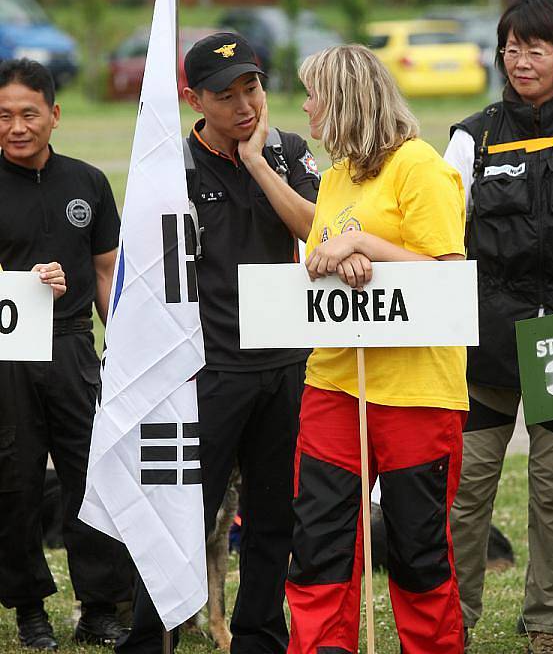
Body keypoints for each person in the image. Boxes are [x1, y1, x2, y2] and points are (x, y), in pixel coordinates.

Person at [115, 32, 320, 654]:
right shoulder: (171, 170)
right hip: (205, 370)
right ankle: (152, 635)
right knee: (180, 513)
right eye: (225, 96)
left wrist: (258, 161)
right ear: (193, 99)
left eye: (252, 88)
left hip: (285, 362)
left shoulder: (287, 152)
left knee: (272, 515)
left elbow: (317, 227)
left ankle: (258, 635)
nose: (244, 106)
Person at [285, 44, 468, 654]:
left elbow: (447, 279)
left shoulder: (422, 168)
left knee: (417, 550)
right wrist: (340, 256)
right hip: (334, 384)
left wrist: (367, 242)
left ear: (345, 102)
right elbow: (319, 261)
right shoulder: (335, 177)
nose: (306, 106)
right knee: (319, 543)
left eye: (315, 94)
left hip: (416, 392)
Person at [445, 0, 553, 654]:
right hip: (485, 338)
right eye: (511, 46)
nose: (520, 60)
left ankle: (546, 623)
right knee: (467, 491)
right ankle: (455, 618)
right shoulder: (472, 137)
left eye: (536, 48)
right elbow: (439, 236)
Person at [0, 59, 133, 651]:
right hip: (6, 355)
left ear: (54, 114)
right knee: (16, 482)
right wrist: (22, 281)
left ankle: (100, 606)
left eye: (28, 114)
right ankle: (29, 608)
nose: (16, 127)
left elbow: (108, 273)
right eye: (3, 116)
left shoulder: (88, 182)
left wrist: (124, 349)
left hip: (74, 347)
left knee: (92, 477)